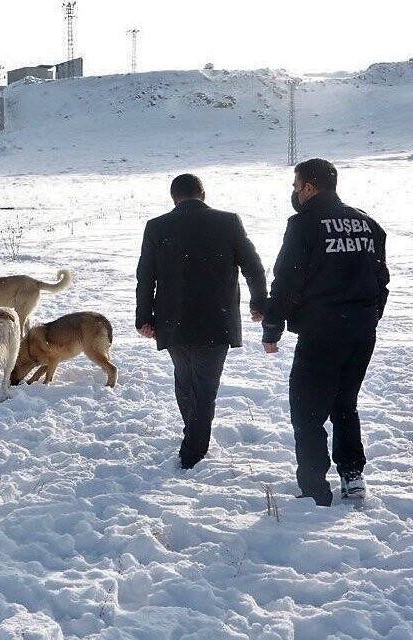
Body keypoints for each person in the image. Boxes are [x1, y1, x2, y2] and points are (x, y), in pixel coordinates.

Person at [262, 158, 389, 505]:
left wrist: (272, 326)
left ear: (309, 187)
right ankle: (352, 474)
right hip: (361, 332)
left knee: (307, 411)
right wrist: (368, 317)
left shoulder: (304, 224)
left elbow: (287, 280)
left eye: (296, 185)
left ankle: (315, 488)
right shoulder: (368, 223)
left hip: (321, 332)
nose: (294, 192)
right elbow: (381, 280)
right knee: (345, 402)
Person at [135, 174, 267, 470]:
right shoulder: (228, 222)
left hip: (172, 320)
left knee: (185, 381)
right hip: (215, 320)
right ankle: (194, 449)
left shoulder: (157, 226)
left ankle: (193, 441)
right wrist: (259, 301)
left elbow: (145, 274)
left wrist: (143, 317)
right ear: (203, 194)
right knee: (204, 387)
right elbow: (253, 265)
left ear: (174, 198)